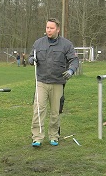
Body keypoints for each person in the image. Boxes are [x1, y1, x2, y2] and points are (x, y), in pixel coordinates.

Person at [28, 18, 79, 147]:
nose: (48, 30)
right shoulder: (38, 43)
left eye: (51, 28)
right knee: (38, 110)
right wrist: (31, 60)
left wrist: (71, 71)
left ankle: (54, 136)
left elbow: (74, 60)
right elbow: (30, 57)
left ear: (58, 29)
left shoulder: (66, 45)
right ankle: (37, 138)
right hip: (41, 82)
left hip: (57, 83)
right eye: (47, 28)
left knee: (55, 112)